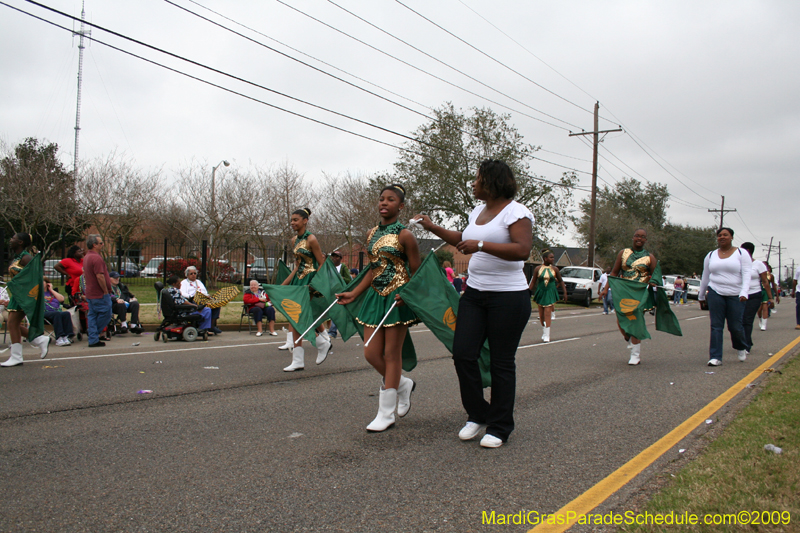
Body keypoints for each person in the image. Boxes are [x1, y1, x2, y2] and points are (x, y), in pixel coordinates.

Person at [412, 159, 533, 448]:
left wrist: (481, 246)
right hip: (475, 295)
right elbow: (463, 238)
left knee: (502, 362)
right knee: (463, 353)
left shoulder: (517, 212)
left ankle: (500, 426)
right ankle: (477, 414)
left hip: (508, 298)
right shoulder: (477, 210)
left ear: (492, 182)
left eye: (478, 178)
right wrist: (432, 226)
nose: (473, 183)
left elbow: (522, 250)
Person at [337, 184, 421, 432]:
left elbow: (417, 270)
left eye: (391, 199)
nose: (384, 203)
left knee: (391, 354)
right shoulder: (372, 233)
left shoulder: (405, 235)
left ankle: (386, 413)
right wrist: (353, 293)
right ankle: (403, 384)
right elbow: (373, 269)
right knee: (371, 353)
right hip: (375, 297)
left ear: (401, 206)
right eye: (382, 199)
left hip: (397, 298)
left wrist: (409, 293)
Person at [281, 207, 332, 371]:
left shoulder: (311, 239)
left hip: (309, 281)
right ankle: (299, 359)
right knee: (294, 317)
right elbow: (297, 266)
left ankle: (321, 343)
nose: (292, 223)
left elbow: (321, 263)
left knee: (299, 317)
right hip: (298, 280)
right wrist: (285, 283)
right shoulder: (294, 240)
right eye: (291, 220)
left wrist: (315, 284)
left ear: (305, 220)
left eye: (296, 220)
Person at [600, 229, 657, 365]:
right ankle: (629, 338)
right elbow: (614, 272)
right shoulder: (623, 253)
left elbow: (656, 276)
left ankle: (635, 354)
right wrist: (606, 288)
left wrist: (653, 281)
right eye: (637, 236)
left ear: (645, 240)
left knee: (636, 319)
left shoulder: (650, 257)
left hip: (640, 292)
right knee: (621, 319)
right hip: (623, 290)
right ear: (633, 237)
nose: (639, 238)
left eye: (643, 237)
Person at [697, 227, 751, 366]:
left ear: (731, 237)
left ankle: (740, 346)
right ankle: (715, 357)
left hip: (736, 295)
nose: (722, 237)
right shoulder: (711, 255)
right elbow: (705, 276)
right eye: (720, 235)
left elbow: (746, 274)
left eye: (725, 235)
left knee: (735, 326)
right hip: (715, 292)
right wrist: (701, 295)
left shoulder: (741, 253)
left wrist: (744, 292)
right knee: (716, 326)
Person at [1, 233, 51, 366]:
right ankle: (39, 340)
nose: (11, 240)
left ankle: (17, 356)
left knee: (12, 323)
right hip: (17, 295)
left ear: (21, 242)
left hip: (24, 296)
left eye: (14, 239)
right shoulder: (17, 257)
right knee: (13, 324)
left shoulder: (26, 257)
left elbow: (35, 276)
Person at [739, 242, 772, 354]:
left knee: (747, 320)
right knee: (739, 320)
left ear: (748, 251)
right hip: (740, 295)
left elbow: (765, 281)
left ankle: (746, 345)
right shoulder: (738, 263)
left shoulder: (758, 264)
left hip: (754, 295)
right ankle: (745, 341)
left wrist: (770, 298)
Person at [529, 249, 567, 342]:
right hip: (541, 292)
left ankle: (547, 335)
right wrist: (528, 292)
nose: (553, 259)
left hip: (550, 292)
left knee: (547, 313)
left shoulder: (555, 269)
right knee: (541, 315)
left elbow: (561, 281)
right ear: (545, 258)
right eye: (551, 257)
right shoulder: (538, 269)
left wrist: (565, 292)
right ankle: (544, 331)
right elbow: (533, 281)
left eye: (553, 257)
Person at [83, 234, 113, 348]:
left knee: (92, 315)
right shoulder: (96, 258)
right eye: (101, 243)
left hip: (90, 292)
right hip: (98, 293)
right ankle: (94, 333)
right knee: (106, 312)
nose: (102, 245)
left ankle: (93, 338)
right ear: (94, 245)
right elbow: (100, 276)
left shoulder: (87, 257)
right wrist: (105, 291)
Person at [180, 266, 223, 335]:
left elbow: (204, 291)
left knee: (216, 305)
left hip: (203, 299)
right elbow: (182, 293)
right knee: (207, 309)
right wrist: (191, 296)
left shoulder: (198, 282)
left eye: (195, 273)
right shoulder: (184, 283)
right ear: (187, 275)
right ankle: (205, 327)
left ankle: (212, 326)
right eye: (191, 274)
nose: (193, 275)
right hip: (193, 300)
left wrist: (207, 296)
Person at [43, 277, 75, 346]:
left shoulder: (51, 293)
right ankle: (59, 337)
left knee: (66, 313)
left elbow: (61, 299)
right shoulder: (36, 293)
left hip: (55, 313)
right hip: (44, 313)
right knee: (57, 314)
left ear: (47, 283)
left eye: (42, 282)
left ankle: (67, 336)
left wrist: (51, 289)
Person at [326, 251, 351, 339]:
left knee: (336, 311)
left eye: (336, 257)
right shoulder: (329, 267)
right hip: (329, 292)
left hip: (339, 293)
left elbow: (349, 280)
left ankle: (332, 332)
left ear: (340, 259)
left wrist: (341, 278)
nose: (334, 258)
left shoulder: (343, 267)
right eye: (333, 256)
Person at [757, 263, 776, 330]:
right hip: (759, 291)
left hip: (766, 291)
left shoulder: (770, 276)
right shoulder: (757, 274)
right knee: (759, 309)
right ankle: (760, 319)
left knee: (765, 307)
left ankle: (764, 324)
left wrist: (776, 296)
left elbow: (774, 285)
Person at [792, 264, 800, 330]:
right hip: (799, 290)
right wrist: (793, 290)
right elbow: (795, 280)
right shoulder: (798, 268)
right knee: (799, 306)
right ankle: (798, 323)